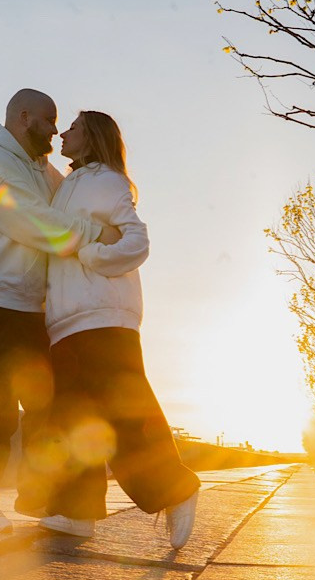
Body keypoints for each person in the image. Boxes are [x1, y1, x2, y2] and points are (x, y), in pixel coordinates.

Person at [0, 89, 121, 533]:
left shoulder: (43, 171)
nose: (55, 130)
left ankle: (43, 498)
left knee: (51, 405)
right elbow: (32, 222)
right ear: (24, 117)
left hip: (35, 306)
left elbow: (77, 200)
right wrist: (97, 235)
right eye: (49, 120)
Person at [39, 110, 200, 549]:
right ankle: (76, 512)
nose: (64, 132)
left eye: (73, 127)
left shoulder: (109, 181)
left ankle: (177, 488)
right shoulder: (66, 183)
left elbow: (136, 242)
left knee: (125, 414)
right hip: (66, 320)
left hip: (105, 314)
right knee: (74, 419)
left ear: (92, 137)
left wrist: (92, 254)